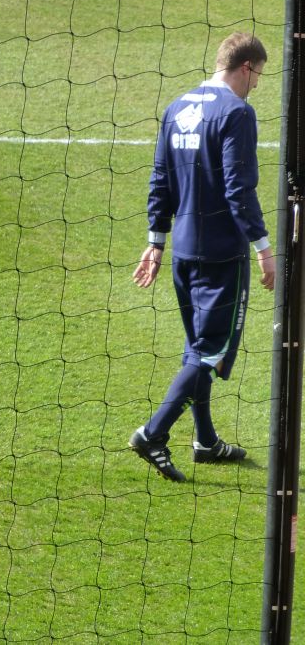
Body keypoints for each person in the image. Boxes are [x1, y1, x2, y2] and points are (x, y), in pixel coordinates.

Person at [129, 32, 275, 482]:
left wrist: (156, 242)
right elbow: (238, 187)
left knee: (197, 348)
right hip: (221, 256)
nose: (256, 86)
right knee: (208, 354)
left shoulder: (177, 108)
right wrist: (264, 248)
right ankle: (152, 434)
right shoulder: (236, 113)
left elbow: (159, 180)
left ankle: (206, 441)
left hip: (183, 254)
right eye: (259, 77)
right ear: (246, 68)